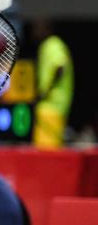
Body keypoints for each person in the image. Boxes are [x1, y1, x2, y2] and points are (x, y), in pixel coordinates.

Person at [31, 19, 74, 149]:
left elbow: (60, 67)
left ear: (47, 29)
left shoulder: (52, 44)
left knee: (47, 150)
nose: (34, 32)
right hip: (51, 105)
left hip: (52, 105)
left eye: (38, 28)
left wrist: (46, 91)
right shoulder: (51, 45)